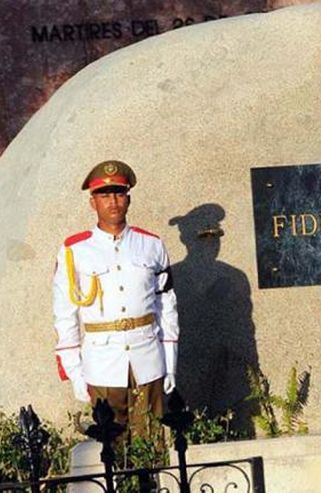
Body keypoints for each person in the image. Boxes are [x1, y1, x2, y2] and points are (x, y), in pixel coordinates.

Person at [52, 160, 179, 439]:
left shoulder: (152, 246)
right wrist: (74, 372)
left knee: (152, 445)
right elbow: (65, 316)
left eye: (119, 193)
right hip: (102, 363)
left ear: (128, 199)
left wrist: (170, 363)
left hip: (147, 359)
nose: (113, 202)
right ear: (92, 202)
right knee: (111, 451)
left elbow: (166, 308)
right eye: (105, 195)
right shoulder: (75, 250)